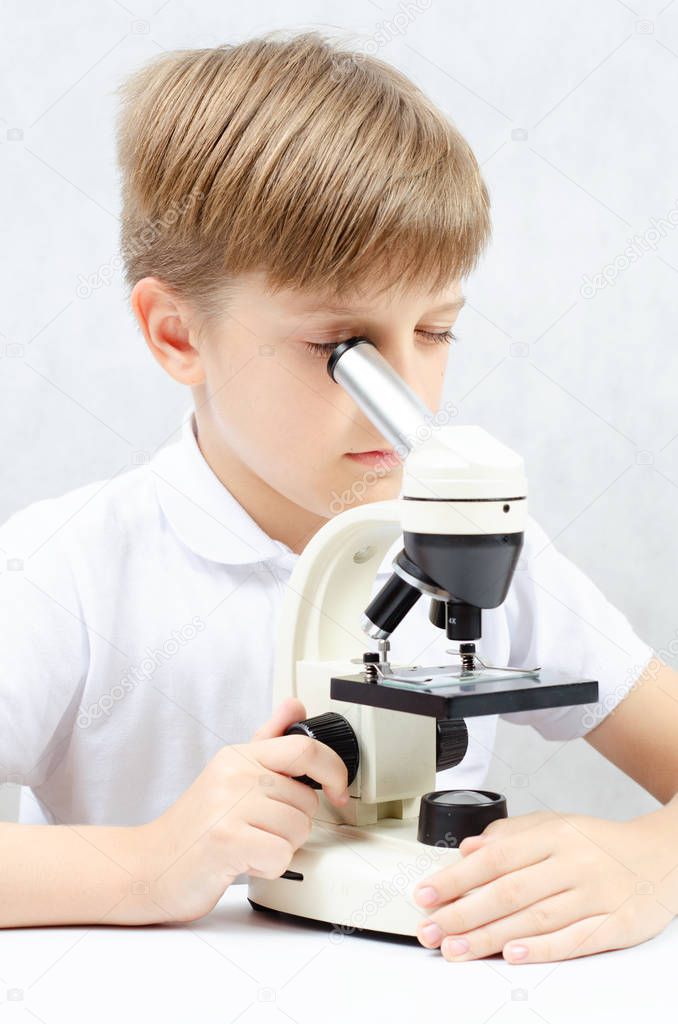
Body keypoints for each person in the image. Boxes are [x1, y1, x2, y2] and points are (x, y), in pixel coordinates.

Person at [1, 30, 676, 963]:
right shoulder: (67, 569)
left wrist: (651, 861)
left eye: (437, 331)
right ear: (176, 334)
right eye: (342, 352)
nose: (408, 403)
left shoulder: (479, 540)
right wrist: (149, 866)